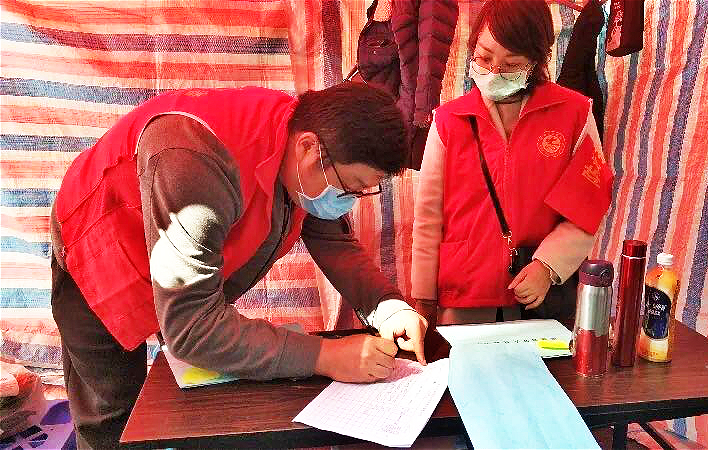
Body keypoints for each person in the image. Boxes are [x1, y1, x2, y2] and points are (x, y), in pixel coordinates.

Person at [50, 82, 428, 449]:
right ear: (309, 148)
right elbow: (193, 328)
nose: (348, 201)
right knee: (114, 418)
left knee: (194, 398)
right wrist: (325, 356)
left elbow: (331, 239)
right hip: (100, 255)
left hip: (182, 266)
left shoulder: (301, 146)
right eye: (349, 187)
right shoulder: (194, 160)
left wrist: (388, 306)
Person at [411, 0, 613, 337]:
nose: (494, 72)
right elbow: (428, 218)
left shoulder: (574, 113)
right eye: (484, 57)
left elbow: (587, 203)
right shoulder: (449, 120)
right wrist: (423, 299)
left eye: (511, 64)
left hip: (540, 297)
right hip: (464, 297)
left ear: (536, 61)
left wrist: (548, 265)